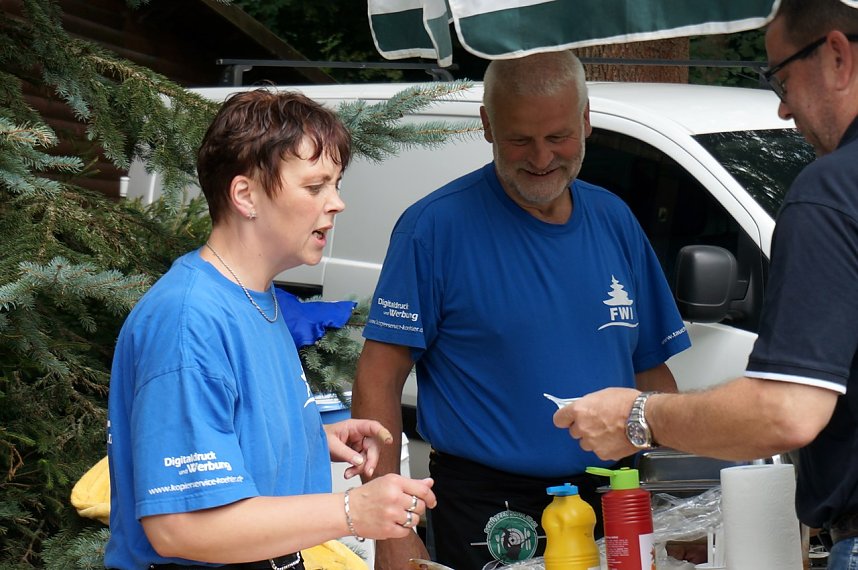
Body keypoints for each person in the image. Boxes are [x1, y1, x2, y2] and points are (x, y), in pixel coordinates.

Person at [351, 51, 691, 570]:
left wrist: (680, 500)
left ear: (586, 121)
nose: (540, 157)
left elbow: (652, 373)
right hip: (489, 513)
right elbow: (379, 375)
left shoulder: (614, 220)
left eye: (557, 137)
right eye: (519, 139)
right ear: (487, 126)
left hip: (616, 497)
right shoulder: (434, 228)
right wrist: (391, 529)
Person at [553, 2, 858, 568]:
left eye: (782, 78)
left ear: (837, 55)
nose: (785, 108)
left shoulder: (832, 192)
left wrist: (637, 417)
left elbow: (787, 410)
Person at [105, 89, 436, 570]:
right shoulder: (189, 319)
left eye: (336, 184)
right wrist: (352, 509)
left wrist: (306, 436)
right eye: (315, 186)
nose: (338, 203)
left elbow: (222, 428)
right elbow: (179, 526)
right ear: (245, 196)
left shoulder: (255, 299)